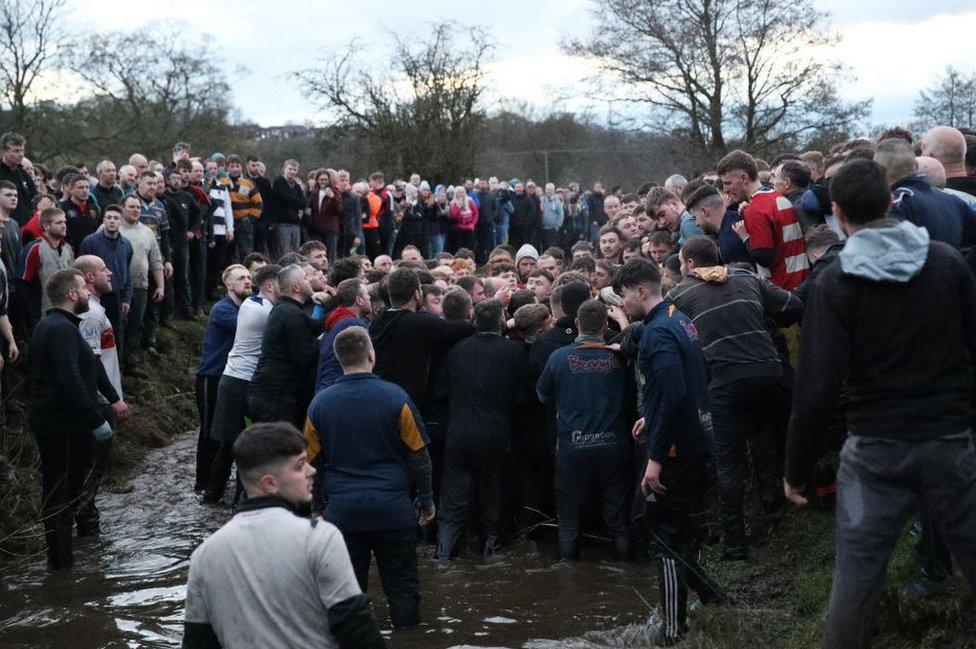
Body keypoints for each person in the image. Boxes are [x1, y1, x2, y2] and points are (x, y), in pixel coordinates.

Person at [783, 159, 976, 649]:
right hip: (948, 441)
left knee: (856, 582)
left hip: (874, 452)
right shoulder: (946, 261)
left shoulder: (835, 280)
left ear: (838, 213)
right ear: (892, 202)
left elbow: (817, 387)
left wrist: (796, 469)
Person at [183, 421, 384, 649]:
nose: (312, 471)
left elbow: (197, 641)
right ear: (270, 483)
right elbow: (356, 626)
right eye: (299, 466)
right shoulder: (320, 538)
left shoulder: (204, 554)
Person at [669, 236, 802, 559]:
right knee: (767, 434)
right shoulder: (747, 278)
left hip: (726, 381)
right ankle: (775, 504)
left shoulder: (680, 294)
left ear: (688, 264)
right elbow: (792, 306)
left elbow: (670, 335)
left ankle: (734, 544)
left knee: (729, 463)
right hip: (769, 372)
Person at [616, 258, 726, 646]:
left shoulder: (657, 332)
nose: (623, 303)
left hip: (677, 451)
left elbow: (675, 392)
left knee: (661, 538)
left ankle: (672, 631)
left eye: (625, 295)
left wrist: (656, 458)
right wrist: (652, 414)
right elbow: (684, 380)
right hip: (697, 437)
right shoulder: (681, 318)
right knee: (670, 530)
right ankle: (713, 597)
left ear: (641, 290)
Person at [305, 326, 435, 629]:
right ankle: (409, 639)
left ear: (338, 360)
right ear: (371, 355)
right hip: (393, 509)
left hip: (343, 512)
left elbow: (310, 463)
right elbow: (419, 456)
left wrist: (317, 507)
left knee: (349, 592)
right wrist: (426, 500)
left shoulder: (320, 403)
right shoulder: (396, 397)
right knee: (402, 588)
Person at [29, 269, 126, 569]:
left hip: (60, 423)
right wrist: (93, 419)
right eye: (84, 289)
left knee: (62, 494)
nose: (88, 294)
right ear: (72, 295)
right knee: (62, 496)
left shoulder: (58, 325)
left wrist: (112, 399)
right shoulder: (60, 329)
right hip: (64, 427)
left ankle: (62, 567)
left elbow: (89, 369)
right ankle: (61, 568)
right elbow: (68, 379)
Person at [536, 299, 633, 561]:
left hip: (572, 448)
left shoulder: (559, 358)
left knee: (568, 521)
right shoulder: (619, 357)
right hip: (615, 445)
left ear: (577, 324)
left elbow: (543, 396)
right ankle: (627, 569)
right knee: (619, 519)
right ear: (605, 325)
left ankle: (568, 577)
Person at [436, 298, 530, 558]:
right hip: (496, 437)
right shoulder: (515, 352)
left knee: (452, 507)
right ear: (502, 321)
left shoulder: (456, 350)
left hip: (458, 436)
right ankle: (492, 554)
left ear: (473, 321)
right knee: (493, 504)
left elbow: (441, 392)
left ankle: (443, 555)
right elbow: (524, 398)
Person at [203, 263, 280, 504]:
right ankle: (219, 494)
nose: (247, 281)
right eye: (241, 278)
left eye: (249, 277)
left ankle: (223, 495)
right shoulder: (254, 308)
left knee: (234, 442)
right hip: (235, 381)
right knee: (233, 442)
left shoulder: (249, 303)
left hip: (235, 379)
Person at [72, 255, 131, 536]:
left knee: (89, 467)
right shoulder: (92, 313)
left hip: (99, 398)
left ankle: (85, 522)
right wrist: (113, 399)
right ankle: (85, 526)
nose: (110, 273)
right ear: (89, 278)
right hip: (98, 401)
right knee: (92, 468)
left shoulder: (94, 309)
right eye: (103, 270)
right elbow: (92, 363)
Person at [369, 268, 474, 407]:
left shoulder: (378, 320)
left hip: (381, 396)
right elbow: (461, 329)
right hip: (408, 402)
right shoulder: (418, 322)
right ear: (417, 295)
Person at [718, 149, 810, 290]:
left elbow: (764, 257)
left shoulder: (756, 209)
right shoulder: (777, 196)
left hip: (784, 287)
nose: (725, 190)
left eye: (728, 183)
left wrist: (744, 237)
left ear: (743, 178)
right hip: (803, 280)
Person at [247, 264, 319, 428]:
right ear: (296, 287)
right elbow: (306, 356)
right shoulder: (290, 314)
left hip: (270, 395)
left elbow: (316, 326)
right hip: (275, 399)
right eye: (306, 278)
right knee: (279, 450)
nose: (311, 280)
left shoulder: (287, 309)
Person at [118, 195, 163, 372]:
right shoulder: (112, 228)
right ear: (122, 208)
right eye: (131, 206)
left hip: (140, 286)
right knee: (120, 326)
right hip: (118, 289)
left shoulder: (147, 232)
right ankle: (118, 363)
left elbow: (156, 261)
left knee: (136, 324)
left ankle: (131, 360)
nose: (136, 210)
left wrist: (160, 285)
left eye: (138, 207)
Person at [315, 278, 371, 394]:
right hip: (340, 391)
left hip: (327, 389)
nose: (370, 298)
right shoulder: (353, 325)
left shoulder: (336, 320)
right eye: (367, 295)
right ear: (359, 300)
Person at [21, 207, 75, 325]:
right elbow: (23, 285)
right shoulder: (36, 249)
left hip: (68, 313)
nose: (64, 225)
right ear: (46, 226)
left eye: (64, 222)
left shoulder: (68, 249)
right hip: (43, 315)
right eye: (59, 222)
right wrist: (33, 317)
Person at [221, 155, 262, 259]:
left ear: (241, 167)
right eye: (232, 166)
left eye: (237, 166)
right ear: (227, 167)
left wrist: (250, 219)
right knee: (227, 253)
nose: (235, 169)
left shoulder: (248, 183)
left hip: (244, 222)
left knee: (246, 252)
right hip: (227, 223)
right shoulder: (222, 182)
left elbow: (258, 203)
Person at [270, 159, 307, 256]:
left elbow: (303, 203)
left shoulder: (297, 186)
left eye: (294, 170)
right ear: (284, 169)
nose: (292, 172)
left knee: (295, 252)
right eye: (290, 169)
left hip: (295, 222)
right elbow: (284, 197)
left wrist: (294, 200)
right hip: (283, 222)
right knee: (284, 252)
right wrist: (296, 200)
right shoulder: (278, 182)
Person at [0, 132, 37, 226]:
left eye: (22, 150)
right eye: (16, 151)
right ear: (4, 151)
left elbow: (34, 197)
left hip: (26, 226)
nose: (21, 154)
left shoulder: (23, 173)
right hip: (4, 226)